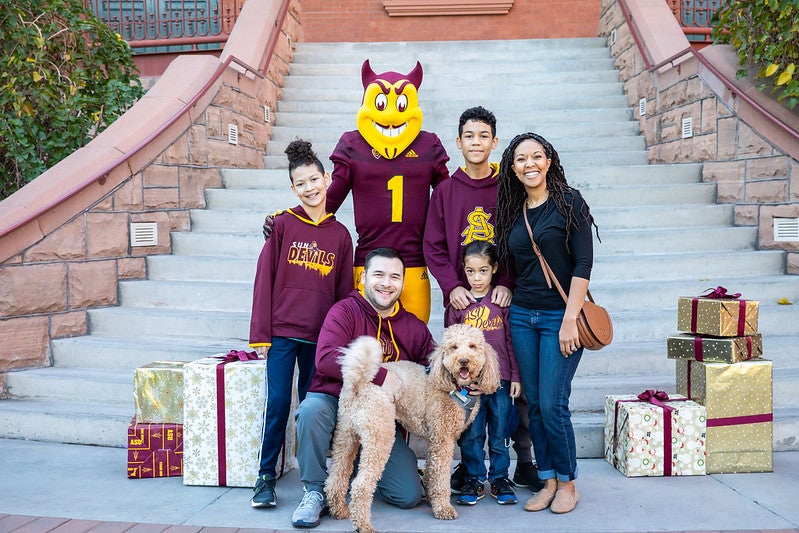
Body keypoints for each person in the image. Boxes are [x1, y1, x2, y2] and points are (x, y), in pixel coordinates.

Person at [264, 60, 450, 324]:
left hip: (414, 263)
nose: (390, 116)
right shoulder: (353, 144)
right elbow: (329, 201)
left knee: (414, 346)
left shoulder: (428, 144)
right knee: (366, 345)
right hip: (368, 261)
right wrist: (288, 219)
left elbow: (450, 200)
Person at [423, 106, 542, 493]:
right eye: (469, 136)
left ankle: (520, 462)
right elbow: (434, 246)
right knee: (459, 384)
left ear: (495, 141)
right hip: (462, 303)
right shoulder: (445, 191)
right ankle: (469, 469)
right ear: (459, 143)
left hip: (502, 302)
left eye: (483, 136)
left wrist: (505, 281)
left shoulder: (506, 187)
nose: (476, 142)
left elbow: (515, 241)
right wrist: (450, 285)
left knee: (508, 378)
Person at [289, 247, 436, 528]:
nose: (386, 283)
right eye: (378, 274)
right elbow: (324, 358)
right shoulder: (345, 311)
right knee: (310, 411)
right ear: (363, 277)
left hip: (380, 421)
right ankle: (314, 491)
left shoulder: (414, 327)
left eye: (395, 277)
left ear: (403, 283)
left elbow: (432, 367)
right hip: (335, 401)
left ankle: (361, 466)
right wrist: (379, 375)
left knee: (408, 496)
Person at [494, 132, 598, 514]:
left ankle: (568, 482)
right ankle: (549, 478)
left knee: (554, 404)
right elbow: (512, 264)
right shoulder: (512, 209)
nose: (530, 164)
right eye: (521, 159)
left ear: (549, 161)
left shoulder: (569, 202)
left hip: (560, 315)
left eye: (537, 156)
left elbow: (583, 264)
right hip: (522, 316)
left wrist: (570, 319)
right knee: (534, 404)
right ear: (513, 168)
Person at [248, 139, 354, 509]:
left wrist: (341, 342)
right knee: (278, 402)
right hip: (281, 333)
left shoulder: (341, 235)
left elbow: (344, 296)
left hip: (319, 338)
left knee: (315, 405)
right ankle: (265, 477)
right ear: (293, 188)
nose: (310, 188)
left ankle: (317, 479)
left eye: (314, 180)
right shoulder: (281, 225)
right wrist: (260, 333)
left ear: (326, 180)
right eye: (301, 183)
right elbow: (264, 279)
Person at [444, 241, 520, 506]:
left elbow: (511, 341)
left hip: (500, 381)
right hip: (469, 384)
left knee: (499, 433)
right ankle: (474, 479)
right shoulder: (458, 305)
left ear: (494, 269)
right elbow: (450, 348)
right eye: (471, 271)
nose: (477, 278)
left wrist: (516, 377)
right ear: (463, 270)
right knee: (473, 433)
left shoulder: (501, 302)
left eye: (483, 271)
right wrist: (457, 380)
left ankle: (499, 478)